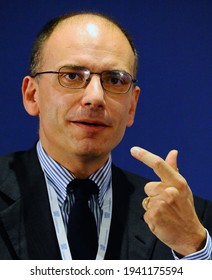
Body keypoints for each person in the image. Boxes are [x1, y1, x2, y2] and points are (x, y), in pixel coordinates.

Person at [0, 12, 211, 260]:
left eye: (114, 80)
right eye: (72, 76)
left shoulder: (194, 222)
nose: (96, 97)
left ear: (132, 106)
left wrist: (192, 250)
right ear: (31, 95)